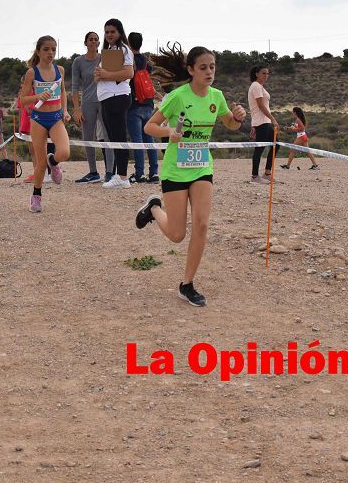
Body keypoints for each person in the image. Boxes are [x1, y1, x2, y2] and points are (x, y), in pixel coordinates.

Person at [136, 46, 247, 307]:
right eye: (203, 68)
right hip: (175, 169)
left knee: (202, 224)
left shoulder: (217, 96)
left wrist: (238, 119)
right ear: (191, 70)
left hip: (201, 168)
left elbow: (229, 123)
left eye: (212, 67)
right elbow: (149, 126)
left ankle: (187, 284)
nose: (209, 72)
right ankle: (154, 209)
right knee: (176, 234)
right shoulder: (177, 97)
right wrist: (169, 134)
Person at [19, 35, 71, 212]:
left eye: (54, 49)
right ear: (39, 52)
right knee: (40, 164)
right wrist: (37, 96)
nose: (51, 53)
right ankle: (36, 195)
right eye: (47, 49)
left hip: (56, 118)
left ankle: (54, 162)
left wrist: (65, 110)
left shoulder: (60, 70)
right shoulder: (32, 73)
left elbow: (63, 91)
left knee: (64, 152)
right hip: (39, 119)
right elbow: (23, 100)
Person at [96, 18, 135, 189]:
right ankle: (120, 175)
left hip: (117, 96)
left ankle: (123, 177)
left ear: (119, 32)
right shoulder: (108, 50)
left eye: (112, 31)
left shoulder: (124, 49)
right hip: (106, 97)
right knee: (112, 137)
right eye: (107, 32)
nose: (109, 35)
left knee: (119, 136)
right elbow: (100, 74)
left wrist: (104, 74)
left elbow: (129, 72)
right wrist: (98, 75)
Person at [71, 31, 113, 183]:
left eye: (96, 40)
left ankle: (109, 173)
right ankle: (93, 172)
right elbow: (75, 87)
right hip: (87, 102)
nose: (93, 42)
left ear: (99, 43)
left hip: (105, 100)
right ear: (85, 42)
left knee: (108, 136)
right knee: (88, 137)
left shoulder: (105, 58)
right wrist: (76, 109)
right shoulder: (78, 61)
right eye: (90, 39)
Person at [126, 31, 160, 184]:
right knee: (149, 139)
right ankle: (154, 173)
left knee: (137, 141)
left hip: (134, 104)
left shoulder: (128, 60)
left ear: (128, 43)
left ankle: (139, 173)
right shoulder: (146, 62)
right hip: (148, 104)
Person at [247, 66, 277, 184]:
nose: (266, 75)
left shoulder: (260, 87)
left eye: (267, 73)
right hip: (262, 122)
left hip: (265, 121)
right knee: (259, 149)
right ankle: (254, 176)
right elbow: (259, 106)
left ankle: (267, 173)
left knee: (276, 145)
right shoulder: (255, 86)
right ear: (256, 74)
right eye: (263, 73)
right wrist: (273, 118)